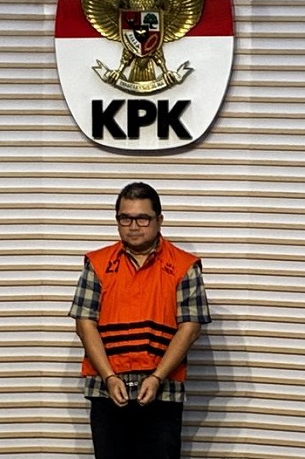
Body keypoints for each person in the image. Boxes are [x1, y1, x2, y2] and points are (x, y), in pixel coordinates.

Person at [68, 182, 211, 459]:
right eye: (125, 218)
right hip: (107, 389)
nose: (134, 226)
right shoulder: (97, 264)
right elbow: (84, 324)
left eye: (143, 218)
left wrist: (157, 377)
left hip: (163, 389)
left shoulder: (184, 266)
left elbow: (190, 328)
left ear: (159, 220)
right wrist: (109, 377)